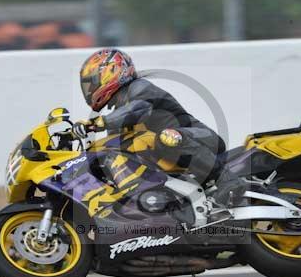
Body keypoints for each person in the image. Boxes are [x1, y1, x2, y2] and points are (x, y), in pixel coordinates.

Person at [73, 48, 246, 206]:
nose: (89, 90)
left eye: (91, 83)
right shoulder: (118, 117)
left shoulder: (139, 88)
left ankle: (228, 180)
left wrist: (97, 123)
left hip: (201, 139)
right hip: (171, 159)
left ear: (111, 72)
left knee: (167, 137)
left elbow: (137, 109)